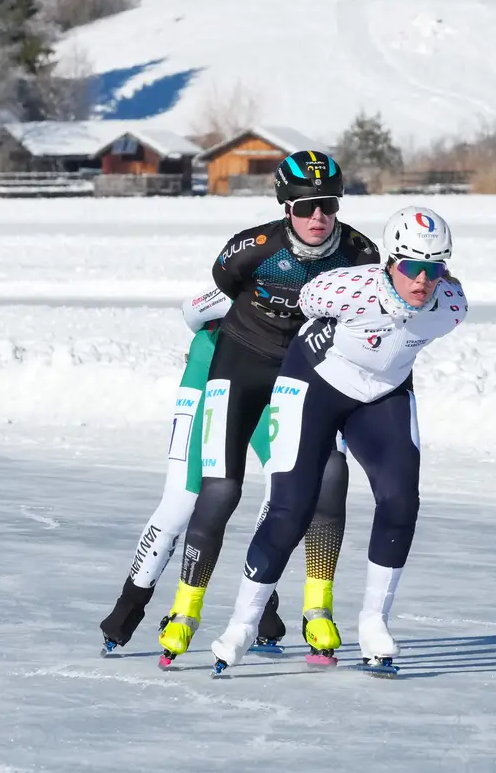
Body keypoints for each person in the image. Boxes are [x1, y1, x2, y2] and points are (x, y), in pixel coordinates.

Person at [210, 206, 468, 674]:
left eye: (433, 270)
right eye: (412, 266)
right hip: (315, 383)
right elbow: (307, 303)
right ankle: (242, 625)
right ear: (391, 262)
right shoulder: (346, 288)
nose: (422, 280)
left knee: (401, 499)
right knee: (291, 507)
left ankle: (374, 621)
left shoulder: (452, 307)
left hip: (383, 393)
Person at [162, 149, 380, 662]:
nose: (317, 216)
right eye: (304, 206)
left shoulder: (360, 255)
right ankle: (184, 611)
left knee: (330, 478)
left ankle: (318, 610)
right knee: (221, 489)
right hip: (240, 364)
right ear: (287, 208)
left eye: (328, 204)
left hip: (305, 373)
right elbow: (224, 285)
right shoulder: (251, 249)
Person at [99, 287, 282, 654]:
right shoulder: (251, 270)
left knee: (285, 491)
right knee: (183, 498)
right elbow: (192, 310)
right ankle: (127, 610)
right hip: (210, 366)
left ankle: (262, 609)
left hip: (274, 376)